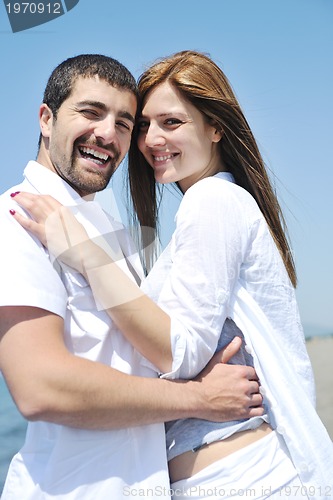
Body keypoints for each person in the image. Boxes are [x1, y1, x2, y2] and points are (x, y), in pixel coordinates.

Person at [12, 50, 333, 499]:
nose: (150, 139)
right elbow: (42, 384)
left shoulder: (211, 202)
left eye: (171, 122)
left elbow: (180, 352)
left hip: (239, 479)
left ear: (216, 127)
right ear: (46, 119)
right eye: (144, 126)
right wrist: (197, 397)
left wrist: (86, 256)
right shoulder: (31, 216)